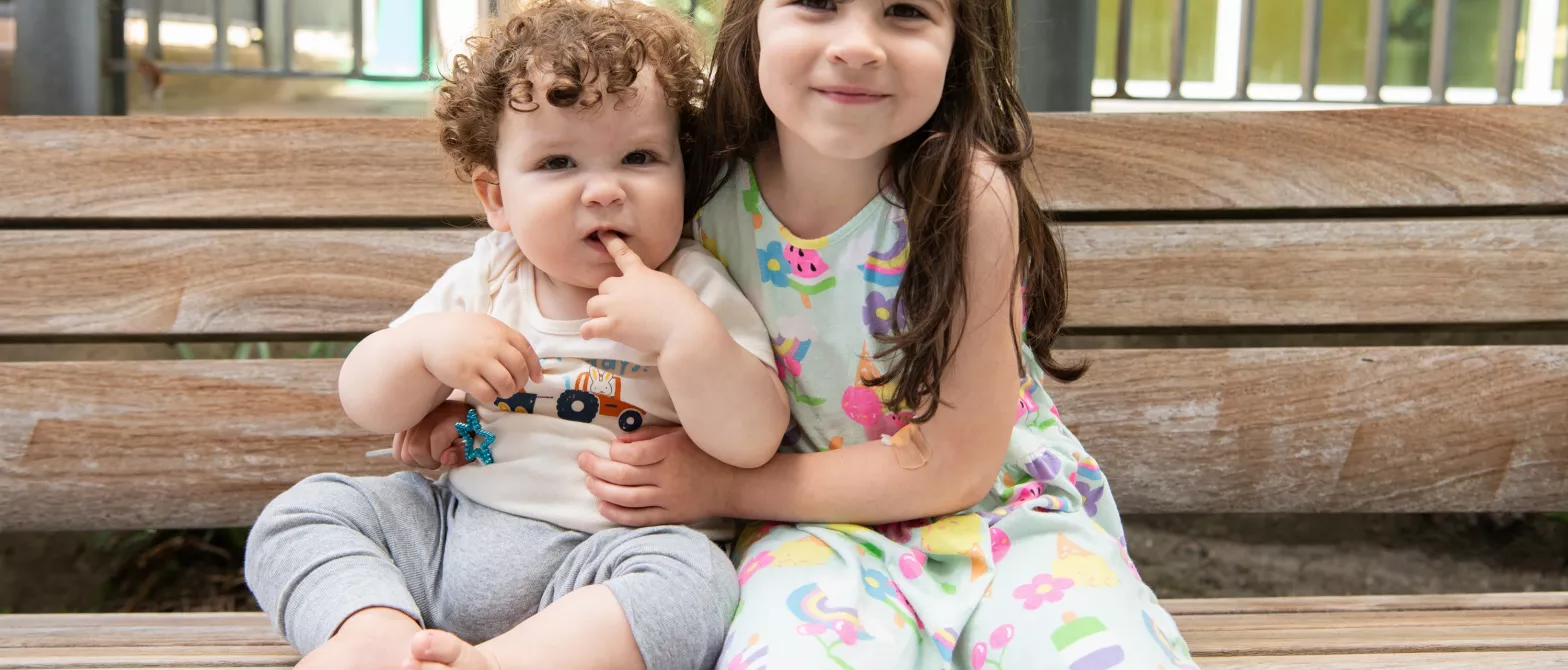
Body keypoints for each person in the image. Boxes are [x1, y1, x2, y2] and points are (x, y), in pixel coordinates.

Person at [577, 0, 1199, 667]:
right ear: (752, 16)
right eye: (817, 3)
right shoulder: (698, 189)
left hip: (1003, 522)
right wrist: (469, 405)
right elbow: (559, 288)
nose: (857, 46)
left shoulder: (966, 197)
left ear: (962, 42)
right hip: (806, 532)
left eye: (904, 11)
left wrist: (720, 488)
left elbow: (955, 465)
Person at [243, 2, 788, 669]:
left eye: (640, 157)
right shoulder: (486, 282)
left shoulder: (691, 287)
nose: (603, 191)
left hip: (607, 559)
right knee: (308, 512)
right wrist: (425, 349)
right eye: (559, 163)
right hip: (449, 532)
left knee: (693, 581)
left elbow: (754, 438)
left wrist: (685, 335)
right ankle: (375, 635)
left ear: (685, 173)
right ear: (497, 197)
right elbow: (366, 402)